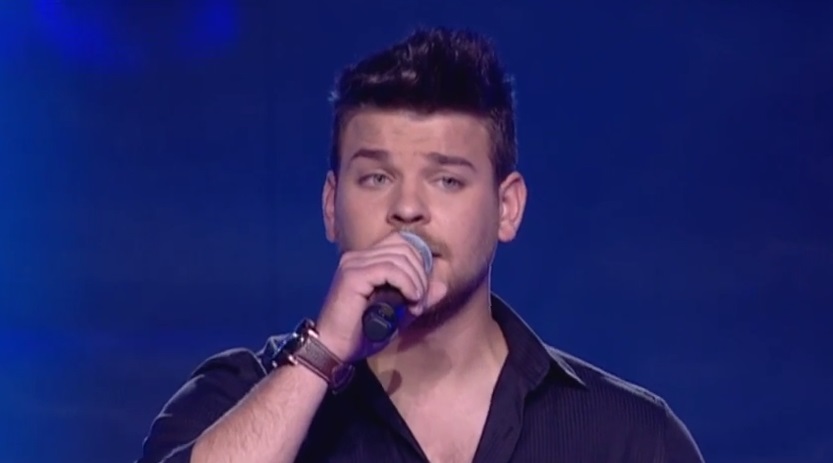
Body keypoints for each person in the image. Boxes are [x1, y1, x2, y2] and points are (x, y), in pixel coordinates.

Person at [136, 26, 705, 463]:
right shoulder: (237, 395)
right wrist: (320, 357)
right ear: (331, 206)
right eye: (376, 177)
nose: (407, 208)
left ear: (507, 208)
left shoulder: (628, 437)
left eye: (447, 179)